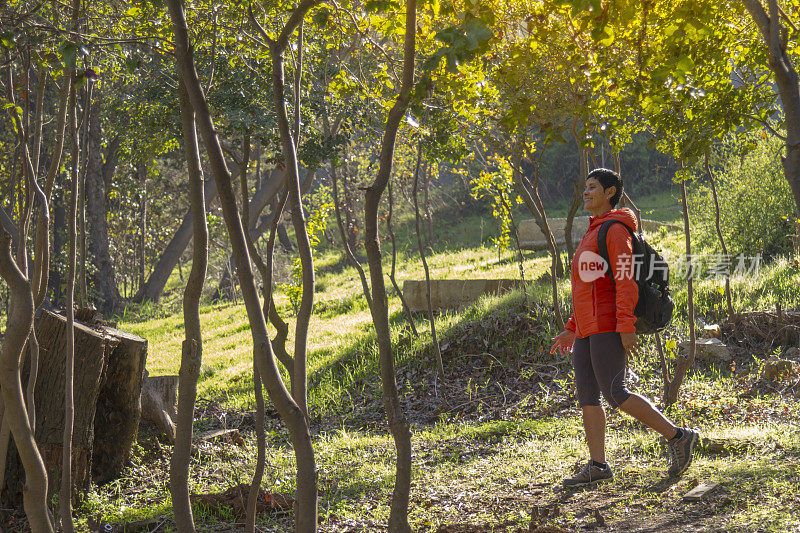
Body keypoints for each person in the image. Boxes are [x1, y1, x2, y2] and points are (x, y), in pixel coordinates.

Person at [549, 168, 699, 487]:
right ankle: (598, 466)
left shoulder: (615, 230)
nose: (586, 192)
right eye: (585, 187)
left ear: (611, 192)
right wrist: (572, 327)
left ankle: (679, 437)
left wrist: (625, 324)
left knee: (616, 393)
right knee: (589, 397)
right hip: (588, 329)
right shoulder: (592, 232)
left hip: (608, 325)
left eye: (593, 187)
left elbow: (625, 280)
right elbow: (586, 287)